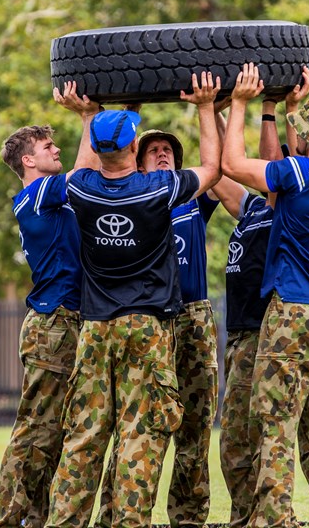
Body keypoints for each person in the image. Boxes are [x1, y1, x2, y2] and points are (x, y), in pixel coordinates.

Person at [44, 71, 221, 528]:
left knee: (84, 436)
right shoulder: (157, 190)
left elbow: (84, 163)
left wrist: (87, 115)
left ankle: (64, 522)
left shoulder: (79, 188)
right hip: (146, 328)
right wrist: (205, 106)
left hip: (96, 327)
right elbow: (213, 170)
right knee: (138, 435)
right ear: (134, 148)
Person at [221, 63, 309, 528]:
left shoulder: (301, 176)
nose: (292, 137)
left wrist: (239, 104)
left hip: (294, 316)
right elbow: (279, 170)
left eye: (298, 133)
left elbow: (234, 167)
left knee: (274, 425)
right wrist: (286, 110)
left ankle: (274, 522)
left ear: (308, 144)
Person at [95, 117, 223, 528]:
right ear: (136, 159)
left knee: (196, 430)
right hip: (149, 322)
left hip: (193, 318)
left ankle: (188, 518)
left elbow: (214, 164)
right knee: (136, 428)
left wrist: (213, 109)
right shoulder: (128, 200)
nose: (163, 152)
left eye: (169, 149)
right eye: (153, 149)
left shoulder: (189, 200)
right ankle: (119, 515)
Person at [0, 83, 99, 527]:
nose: (57, 151)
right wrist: (88, 117)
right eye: (48, 147)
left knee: (57, 433)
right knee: (36, 431)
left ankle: (37, 517)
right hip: (52, 324)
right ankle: (3, 520)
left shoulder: (53, 200)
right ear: (27, 161)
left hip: (69, 320)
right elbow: (85, 170)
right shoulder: (36, 195)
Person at [217, 67, 309, 528]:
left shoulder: (281, 206)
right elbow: (218, 171)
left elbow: (276, 166)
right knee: (234, 443)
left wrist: (271, 108)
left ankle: (272, 516)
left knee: (263, 438)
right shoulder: (251, 207)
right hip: (237, 338)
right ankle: (245, 517)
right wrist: (212, 114)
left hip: (264, 334)